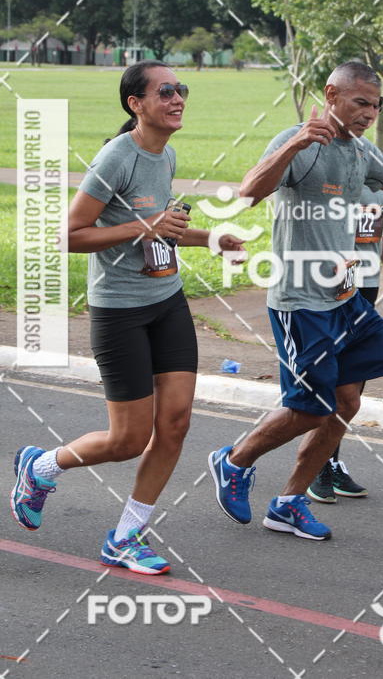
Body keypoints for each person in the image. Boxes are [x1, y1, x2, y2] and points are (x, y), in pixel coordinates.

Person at [10, 60, 243, 575]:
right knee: (128, 440)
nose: (177, 98)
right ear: (136, 104)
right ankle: (41, 466)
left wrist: (211, 238)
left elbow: (162, 229)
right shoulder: (117, 157)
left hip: (167, 301)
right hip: (119, 313)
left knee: (176, 424)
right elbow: (68, 235)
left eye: (181, 89)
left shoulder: (166, 154)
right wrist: (144, 226)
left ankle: (126, 536)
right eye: (165, 91)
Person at [208, 60, 383, 541]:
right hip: (301, 301)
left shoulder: (360, 150)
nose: (369, 114)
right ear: (331, 94)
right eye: (361, 103)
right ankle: (234, 461)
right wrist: (295, 144)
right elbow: (248, 192)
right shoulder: (299, 142)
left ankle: (289, 502)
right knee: (312, 407)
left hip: (346, 299)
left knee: (347, 401)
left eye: (375, 106)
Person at [307, 186, 383, 503]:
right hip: (333, 284)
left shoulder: (376, 176)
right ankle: (316, 465)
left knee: (353, 379)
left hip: (365, 284)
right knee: (330, 379)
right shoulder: (336, 173)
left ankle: (330, 459)